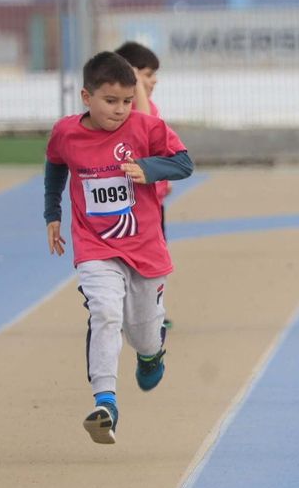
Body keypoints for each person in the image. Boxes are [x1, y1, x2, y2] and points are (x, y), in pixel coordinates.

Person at [44, 51, 193, 445]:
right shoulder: (66, 133)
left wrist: (150, 169)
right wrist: (52, 212)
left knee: (144, 333)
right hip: (95, 246)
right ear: (85, 96)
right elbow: (56, 163)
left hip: (144, 249)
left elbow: (184, 163)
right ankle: (105, 403)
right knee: (105, 312)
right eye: (111, 101)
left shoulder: (146, 128)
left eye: (127, 101)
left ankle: (150, 354)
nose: (121, 110)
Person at [116, 39, 175, 330]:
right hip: (132, 206)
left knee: (155, 262)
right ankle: (136, 316)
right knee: (134, 263)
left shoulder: (150, 105)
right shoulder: (129, 110)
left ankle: (153, 313)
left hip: (154, 202)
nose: (153, 81)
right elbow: (144, 123)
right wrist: (133, 80)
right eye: (147, 75)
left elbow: (156, 145)